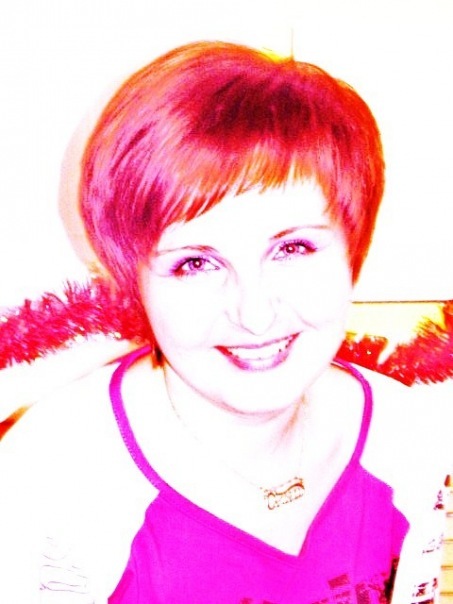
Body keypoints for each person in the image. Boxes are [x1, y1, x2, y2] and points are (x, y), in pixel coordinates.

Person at [0, 40, 451, 604]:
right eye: (195, 263)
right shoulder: (49, 476)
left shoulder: (406, 436)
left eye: (293, 248)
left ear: (351, 254)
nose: (255, 313)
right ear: (135, 281)